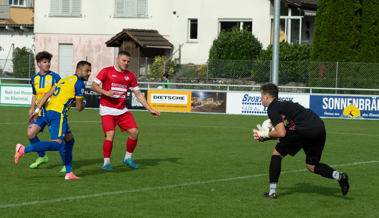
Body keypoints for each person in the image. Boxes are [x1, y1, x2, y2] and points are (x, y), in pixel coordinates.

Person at [254, 83, 349, 199]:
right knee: (311, 165)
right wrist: (267, 137)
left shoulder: (272, 108)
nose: (260, 98)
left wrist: (265, 134)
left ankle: (272, 192)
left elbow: (281, 133)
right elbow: (285, 135)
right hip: (319, 127)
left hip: (302, 130)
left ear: (267, 97)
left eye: (261, 95)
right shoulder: (285, 105)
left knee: (277, 154)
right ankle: (339, 176)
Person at [14, 61, 91, 180]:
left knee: (69, 140)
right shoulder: (79, 83)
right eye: (87, 71)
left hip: (48, 112)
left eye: (90, 71)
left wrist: (37, 109)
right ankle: (23, 149)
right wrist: (84, 103)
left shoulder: (64, 79)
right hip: (58, 114)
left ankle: (69, 172)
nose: (89, 73)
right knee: (56, 144)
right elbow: (79, 108)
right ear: (79, 71)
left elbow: (47, 94)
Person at [91, 50, 160, 170]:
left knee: (134, 132)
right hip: (107, 109)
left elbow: (138, 93)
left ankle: (127, 158)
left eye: (128, 61)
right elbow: (93, 86)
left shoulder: (130, 76)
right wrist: (105, 92)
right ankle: (106, 163)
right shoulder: (106, 71)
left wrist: (150, 109)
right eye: (124, 60)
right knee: (110, 134)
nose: (126, 63)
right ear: (117, 59)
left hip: (122, 110)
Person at [28, 51, 65, 171]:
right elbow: (34, 95)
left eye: (49, 62)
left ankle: (66, 165)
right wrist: (32, 108)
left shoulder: (55, 77)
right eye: (45, 62)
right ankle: (42, 156)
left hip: (52, 112)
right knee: (30, 134)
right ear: (38, 64)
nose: (48, 64)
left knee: (57, 140)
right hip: (39, 114)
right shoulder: (34, 79)